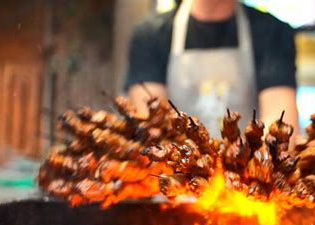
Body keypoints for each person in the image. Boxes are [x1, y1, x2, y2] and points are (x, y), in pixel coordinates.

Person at [124, 0, 299, 137]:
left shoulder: (272, 32)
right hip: (175, 174)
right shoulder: (151, 35)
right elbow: (151, 128)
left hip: (248, 175)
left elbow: (280, 124)